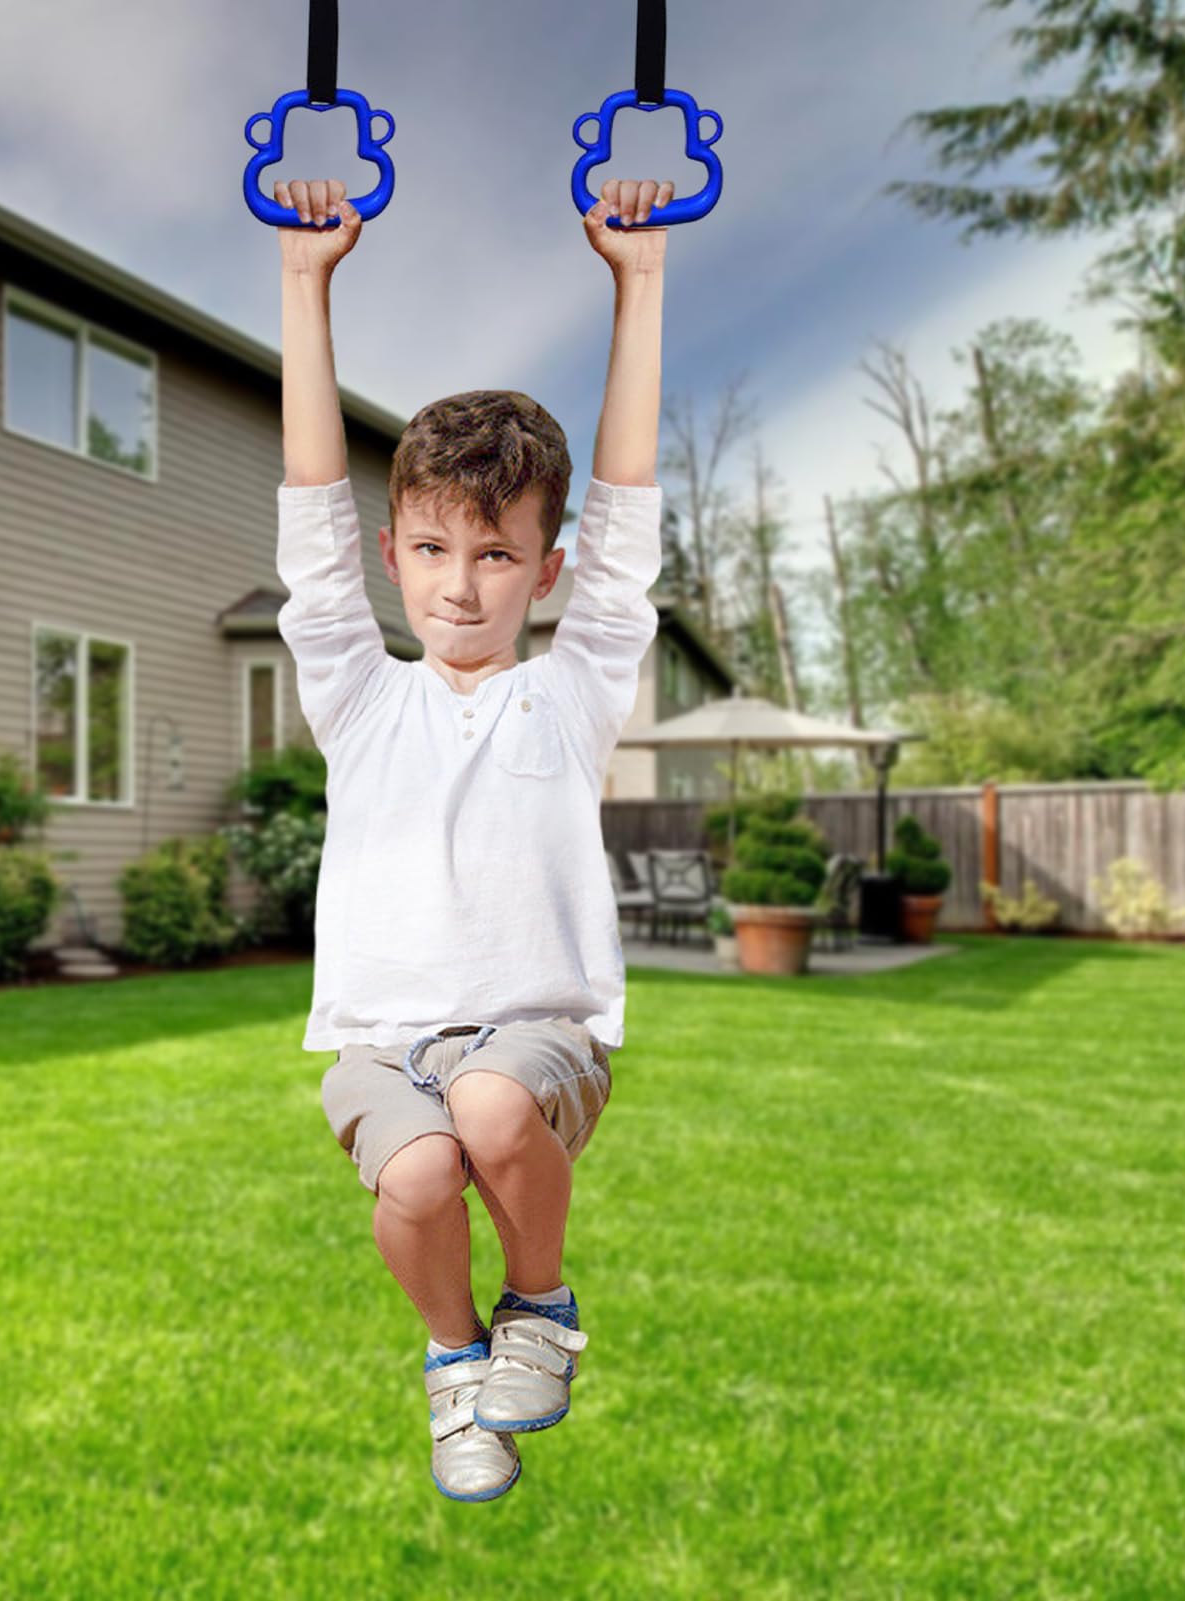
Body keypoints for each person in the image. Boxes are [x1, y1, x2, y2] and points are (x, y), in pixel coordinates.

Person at [274, 172, 671, 1502]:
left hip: (538, 1033)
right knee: (425, 1159)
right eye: (434, 548)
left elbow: (624, 529)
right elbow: (310, 530)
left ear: (543, 569)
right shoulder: (357, 687)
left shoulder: (572, 687)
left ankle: (539, 1308)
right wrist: (304, 279)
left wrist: (638, 281)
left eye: (496, 554)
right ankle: (455, 1365)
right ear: (395, 553)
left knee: (492, 1107)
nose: (459, 581)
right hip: (380, 1042)